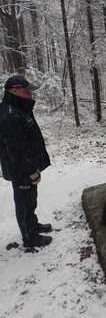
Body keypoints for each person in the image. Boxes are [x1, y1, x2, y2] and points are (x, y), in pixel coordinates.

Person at [0, 75, 52, 250]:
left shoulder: (19, 108)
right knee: (24, 202)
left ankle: (32, 225)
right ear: (13, 91)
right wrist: (31, 171)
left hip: (27, 165)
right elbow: (16, 151)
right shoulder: (9, 115)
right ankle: (29, 237)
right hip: (20, 169)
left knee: (30, 199)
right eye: (26, 91)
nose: (30, 94)